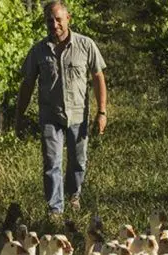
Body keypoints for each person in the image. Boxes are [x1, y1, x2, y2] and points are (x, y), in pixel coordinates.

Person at [15, 0, 107, 219]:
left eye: (58, 19)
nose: (54, 24)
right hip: (50, 115)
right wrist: (19, 115)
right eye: (50, 20)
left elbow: (98, 78)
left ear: (68, 19)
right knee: (51, 162)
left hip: (78, 113)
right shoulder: (38, 51)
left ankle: (73, 196)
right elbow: (27, 84)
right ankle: (55, 209)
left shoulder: (86, 45)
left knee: (78, 161)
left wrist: (101, 112)